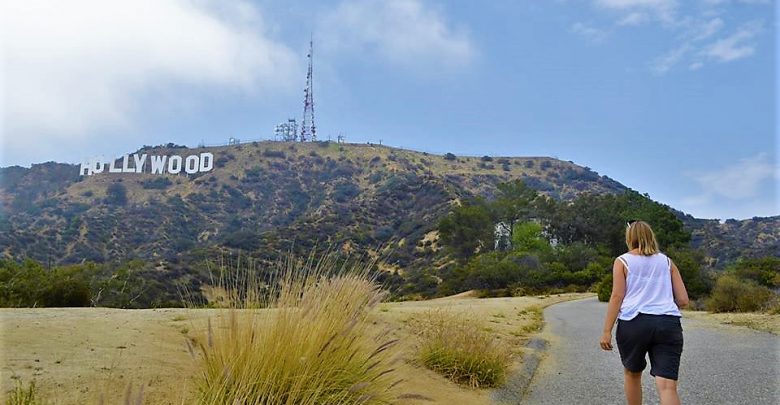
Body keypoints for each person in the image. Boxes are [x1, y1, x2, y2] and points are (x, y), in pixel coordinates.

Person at [599, 220, 689, 405]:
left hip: (634, 323)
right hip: (667, 323)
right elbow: (683, 300)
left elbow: (617, 296)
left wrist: (607, 331)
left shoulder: (622, 261)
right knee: (667, 386)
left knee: (632, 374)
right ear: (650, 236)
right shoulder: (667, 262)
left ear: (629, 238)